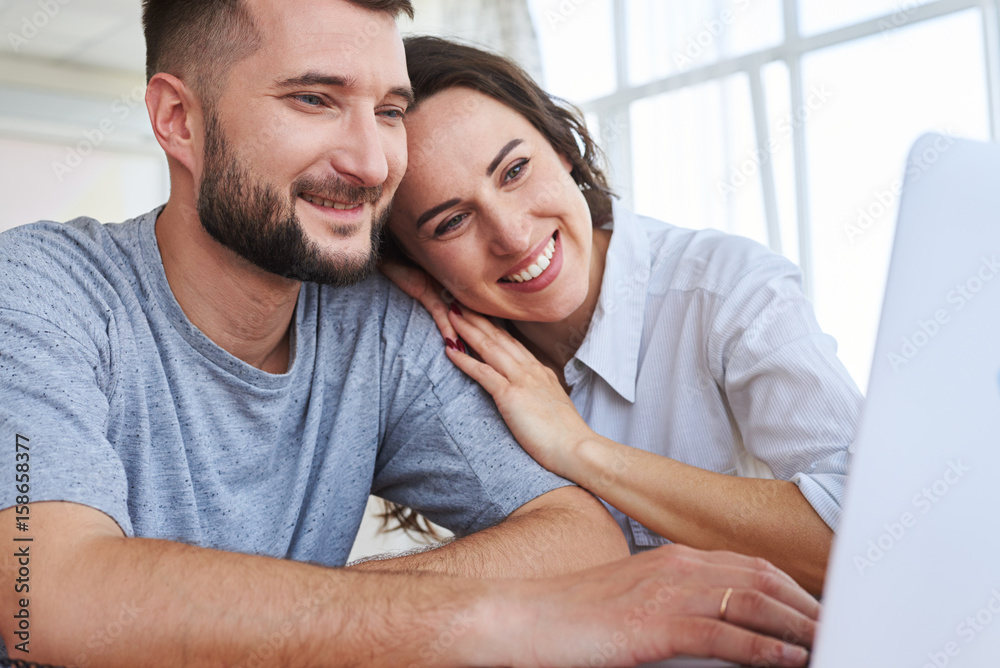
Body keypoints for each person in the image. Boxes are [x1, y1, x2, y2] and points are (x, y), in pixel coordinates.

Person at [0, 0, 818, 666]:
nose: (370, 162)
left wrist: (333, 619)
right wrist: (495, 619)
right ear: (178, 119)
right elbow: (48, 598)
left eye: (388, 110)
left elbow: (580, 539)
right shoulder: (38, 290)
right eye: (314, 99)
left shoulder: (377, 327)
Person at [383, 36, 863, 598]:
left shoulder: (727, 289)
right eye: (451, 223)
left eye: (514, 170)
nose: (512, 235)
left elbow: (861, 536)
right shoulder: (439, 364)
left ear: (561, 146)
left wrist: (582, 450)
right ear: (412, 261)